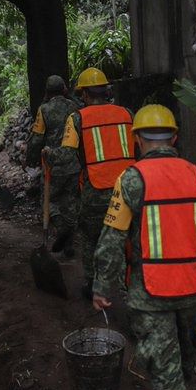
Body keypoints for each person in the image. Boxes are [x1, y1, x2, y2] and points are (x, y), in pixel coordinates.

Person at [92, 104, 196, 390]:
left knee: (164, 369)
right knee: (188, 352)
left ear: (137, 139)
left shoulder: (131, 180)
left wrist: (102, 286)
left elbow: (112, 239)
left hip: (151, 293)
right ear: (174, 139)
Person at [47, 67, 136, 299]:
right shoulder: (127, 113)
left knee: (90, 236)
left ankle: (92, 284)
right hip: (129, 188)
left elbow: (66, 156)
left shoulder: (77, 118)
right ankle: (128, 287)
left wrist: (48, 153)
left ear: (85, 94)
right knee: (127, 236)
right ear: (106, 91)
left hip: (96, 189)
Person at [25, 75, 80, 256]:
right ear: (64, 89)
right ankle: (70, 244)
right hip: (73, 163)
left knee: (49, 200)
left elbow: (37, 139)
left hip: (52, 165)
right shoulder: (75, 108)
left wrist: (30, 158)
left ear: (47, 92)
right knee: (70, 202)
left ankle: (60, 227)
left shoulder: (44, 109)